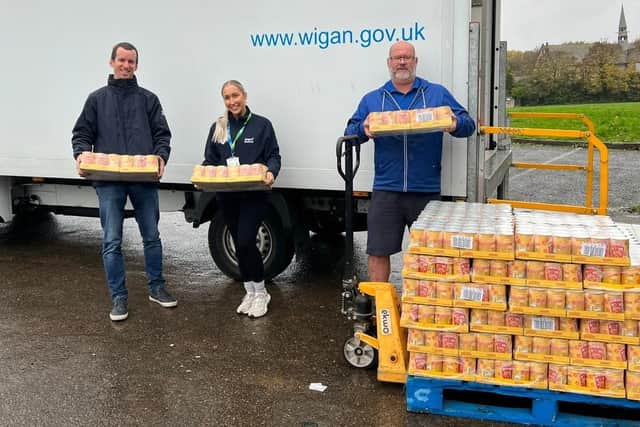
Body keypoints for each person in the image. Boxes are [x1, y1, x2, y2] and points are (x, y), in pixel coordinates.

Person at [344, 41, 476, 282]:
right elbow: (350, 134)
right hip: (386, 189)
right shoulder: (373, 99)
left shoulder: (436, 93)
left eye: (407, 57)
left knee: (428, 254)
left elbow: (468, 125)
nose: (402, 62)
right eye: (397, 58)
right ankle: (379, 307)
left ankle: (423, 310)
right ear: (389, 63)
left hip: (425, 190)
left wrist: (454, 123)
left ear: (416, 62)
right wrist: (363, 129)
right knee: (378, 252)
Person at [71, 42, 177, 321]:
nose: (126, 65)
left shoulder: (148, 100)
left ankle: (157, 288)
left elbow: (162, 135)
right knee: (112, 241)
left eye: (131, 62)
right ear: (111, 62)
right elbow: (81, 134)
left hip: (143, 180)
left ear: (136, 66)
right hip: (109, 182)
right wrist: (80, 155)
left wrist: (161, 157)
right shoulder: (96, 99)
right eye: (121, 60)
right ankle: (119, 297)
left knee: (151, 237)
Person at [202, 80, 281, 318]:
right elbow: (210, 159)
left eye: (235, 95)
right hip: (227, 195)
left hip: (254, 194)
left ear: (244, 96)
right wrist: (207, 174)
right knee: (238, 243)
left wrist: (271, 172)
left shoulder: (261, 125)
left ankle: (261, 292)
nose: (232, 101)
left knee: (247, 240)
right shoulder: (219, 126)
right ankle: (250, 291)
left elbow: (273, 156)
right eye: (227, 97)